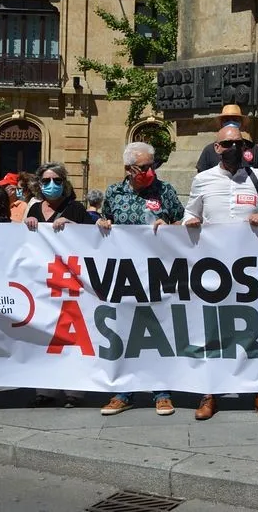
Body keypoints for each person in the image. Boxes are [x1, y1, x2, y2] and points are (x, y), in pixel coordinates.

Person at [184, 125, 258, 420]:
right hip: (212, 269)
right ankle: (209, 392)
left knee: (254, 329)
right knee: (212, 329)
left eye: (238, 143)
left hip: (250, 269)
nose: (232, 148)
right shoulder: (203, 179)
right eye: (227, 143)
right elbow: (191, 212)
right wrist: (189, 221)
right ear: (216, 148)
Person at [97, 142, 185, 417]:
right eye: (144, 167)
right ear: (128, 169)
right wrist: (102, 224)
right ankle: (124, 392)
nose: (150, 171)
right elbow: (104, 220)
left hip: (159, 274)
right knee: (125, 331)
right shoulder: (114, 192)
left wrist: (170, 227)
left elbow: (185, 223)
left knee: (159, 332)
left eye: (152, 165)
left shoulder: (165, 190)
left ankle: (161, 391)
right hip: (124, 276)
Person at [25, 162, 91, 408]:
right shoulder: (33, 209)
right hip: (42, 284)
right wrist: (26, 227)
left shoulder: (75, 208)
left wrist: (76, 229)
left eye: (56, 180)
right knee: (45, 336)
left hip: (70, 282)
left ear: (64, 183)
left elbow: (94, 239)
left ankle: (74, 391)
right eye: (46, 181)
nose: (51, 185)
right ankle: (46, 390)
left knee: (73, 337)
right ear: (39, 184)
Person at [195, 104, 258, 172]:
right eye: (227, 120)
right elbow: (202, 179)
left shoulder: (253, 149)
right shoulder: (209, 150)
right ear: (221, 124)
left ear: (241, 123)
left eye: (235, 120)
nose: (231, 122)